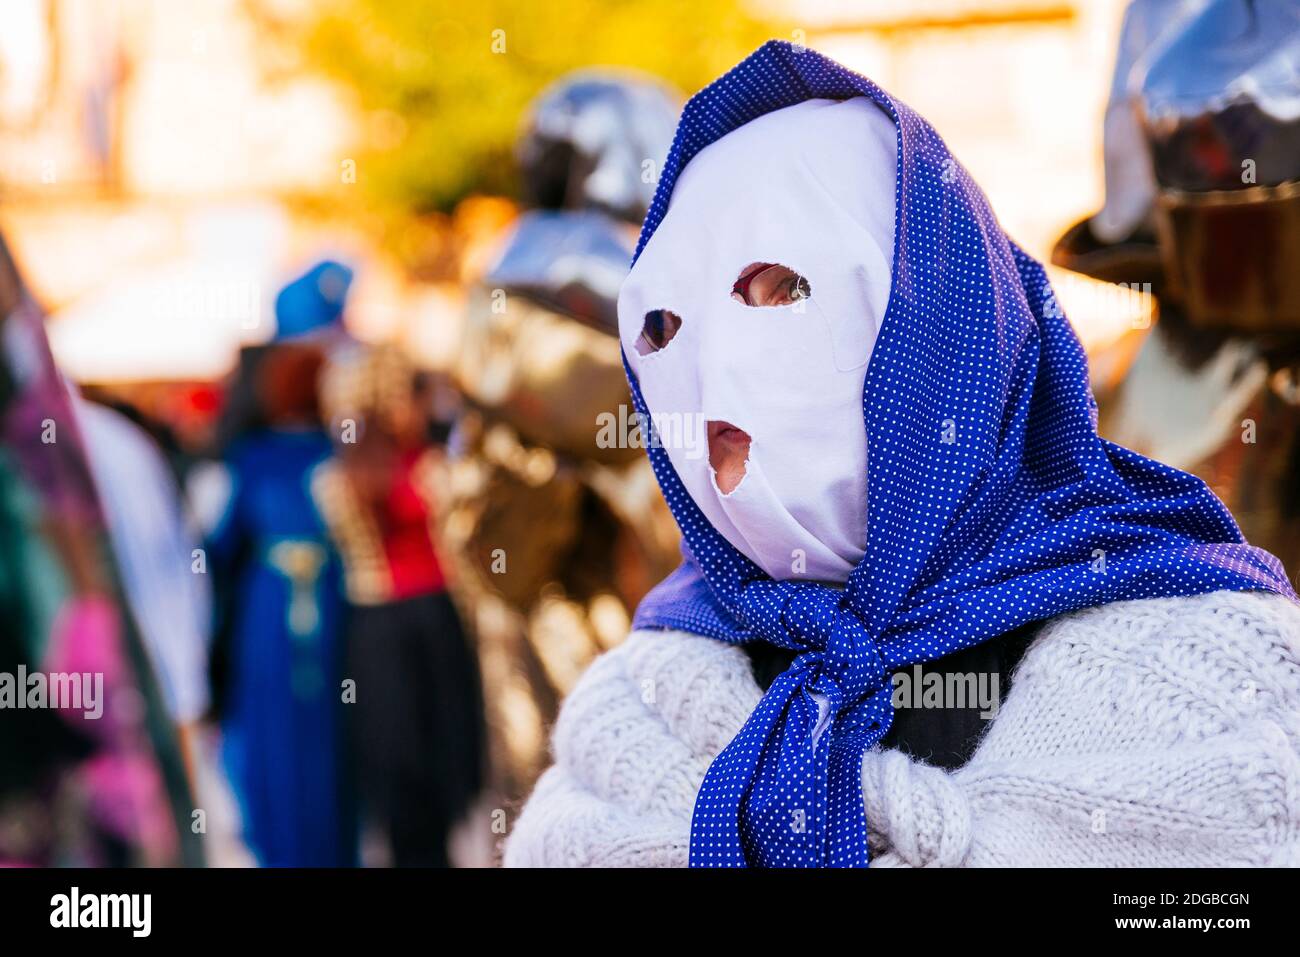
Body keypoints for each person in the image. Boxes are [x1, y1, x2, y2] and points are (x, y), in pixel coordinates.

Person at [504, 42, 1300, 868]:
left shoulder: (1200, 676)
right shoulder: (641, 702)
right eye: (667, 325)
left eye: (780, 288)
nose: (713, 368)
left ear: (939, 324)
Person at [206, 260, 356, 867]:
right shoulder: (256, 459)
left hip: (300, 618)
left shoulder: (325, 456)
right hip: (283, 619)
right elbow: (218, 551)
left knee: (323, 746)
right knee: (289, 743)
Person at [313, 343, 487, 867]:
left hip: (393, 626)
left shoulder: (348, 472)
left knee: (421, 763)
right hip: (410, 626)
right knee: (415, 764)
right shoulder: (404, 471)